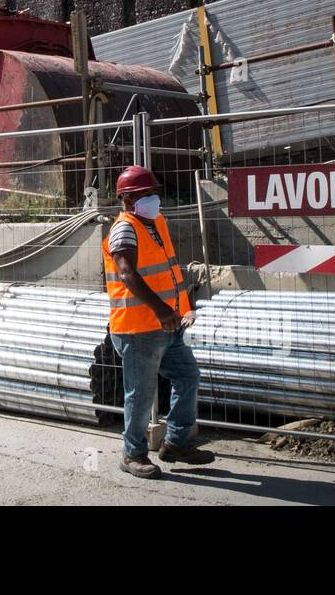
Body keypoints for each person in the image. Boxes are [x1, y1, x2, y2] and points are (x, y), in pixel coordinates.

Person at [103, 165, 215, 478]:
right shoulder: (125, 228)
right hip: (139, 328)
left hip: (169, 325)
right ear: (127, 200)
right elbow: (128, 274)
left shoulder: (155, 222)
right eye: (145, 194)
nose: (153, 198)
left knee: (187, 376)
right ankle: (132, 453)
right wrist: (161, 310)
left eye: (154, 192)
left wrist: (181, 310)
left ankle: (176, 443)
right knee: (140, 395)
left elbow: (167, 270)